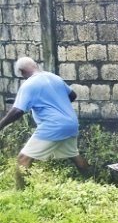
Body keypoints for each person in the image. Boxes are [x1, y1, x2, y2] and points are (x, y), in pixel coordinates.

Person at [0, 57, 89, 188]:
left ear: (21, 71)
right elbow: (72, 95)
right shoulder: (54, 77)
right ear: (35, 65)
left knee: (22, 159)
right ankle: (91, 180)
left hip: (53, 126)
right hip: (70, 123)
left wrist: (1, 125)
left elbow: (17, 111)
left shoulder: (29, 84)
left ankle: (22, 194)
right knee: (74, 156)